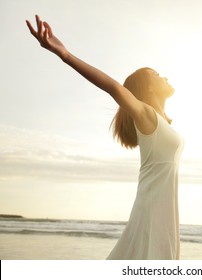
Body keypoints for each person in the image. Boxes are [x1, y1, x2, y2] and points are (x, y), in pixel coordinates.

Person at [26, 15, 184, 260]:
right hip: (153, 211)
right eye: (157, 75)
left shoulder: (161, 122)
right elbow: (114, 88)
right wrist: (64, 54)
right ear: (149, 87)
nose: (165, 77)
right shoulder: (146, 115)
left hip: (163, 210)